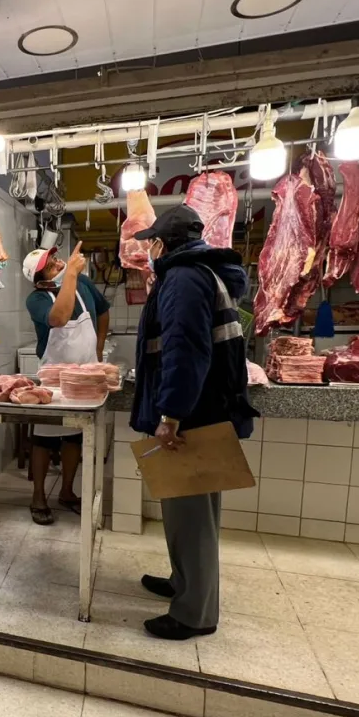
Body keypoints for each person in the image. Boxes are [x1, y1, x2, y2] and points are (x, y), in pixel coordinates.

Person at [129, 204, 257, 641]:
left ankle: (194, 614)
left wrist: (171, 415)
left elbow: (185, 349)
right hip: (204, 408)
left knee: (193, 517)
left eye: (152, 243)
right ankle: (183, 582)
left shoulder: (184, 278)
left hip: (193, 416)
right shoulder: (202, 272)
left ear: (165, 243)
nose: (149, 250)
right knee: (187, 512)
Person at [23, 241, 110, 526]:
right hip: (54, 378)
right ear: (40, 280)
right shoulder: (37, 299)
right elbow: (59, 317)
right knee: (44, 438)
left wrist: (99, 347)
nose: (58, 263)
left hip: (85, 374)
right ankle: (38, 496)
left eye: (55, 259)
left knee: (74, 436)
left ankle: (67, 492)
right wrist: (70, 273)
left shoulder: (83, 283)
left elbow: (103, 310)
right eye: (50, 266)